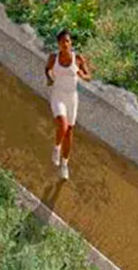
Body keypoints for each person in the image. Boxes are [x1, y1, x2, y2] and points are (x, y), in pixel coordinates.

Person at [46, 29, 91, 180]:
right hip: (58, 95)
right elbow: (47, 69)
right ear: (58, 44)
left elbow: (89, 76)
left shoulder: (77, 58)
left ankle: (64, 165)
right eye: (62, 42)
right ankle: (56, 148)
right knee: (63, 125)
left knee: (69, 132)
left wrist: (81, 75)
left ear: (71, 43)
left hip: (72, 98)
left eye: (67, 41)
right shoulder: (53, 57)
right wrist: (49, 78)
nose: (65, 44)